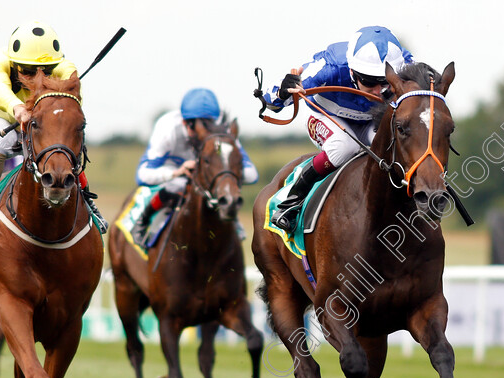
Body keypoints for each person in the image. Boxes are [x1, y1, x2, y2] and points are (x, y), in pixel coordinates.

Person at [0, 21, 107, 239]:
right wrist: (17, 108)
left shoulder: (64, 67)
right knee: (4, 140)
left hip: (38, 123)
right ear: (14, 63)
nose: (36, 79)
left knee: (61, 145)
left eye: (45, 72)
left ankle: (87, 200)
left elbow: (73, 99)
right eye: (27, 72)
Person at [262, 26, 412, 231]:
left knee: (391, 146)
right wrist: (282, 91)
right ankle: (292, 200)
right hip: (326, 117)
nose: (377, 91)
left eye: (384, 83)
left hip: (371, 121)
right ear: (351, 71)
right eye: (368, 82)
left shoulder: (405, 63)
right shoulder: (330, 65)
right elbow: (272, 100)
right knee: (344, 147)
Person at [131, 88, 258, 239]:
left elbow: (252, 175)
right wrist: (176, 172)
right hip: (175, 172)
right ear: (185, 123)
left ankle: (232, 219)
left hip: (206, 178)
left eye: (209, 125)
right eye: (200, 127)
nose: (205, 133)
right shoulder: (167, 128)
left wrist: (226, 174)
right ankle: (143, 221)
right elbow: (142, 175)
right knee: (177, 184)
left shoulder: (220, 129)